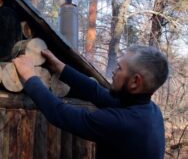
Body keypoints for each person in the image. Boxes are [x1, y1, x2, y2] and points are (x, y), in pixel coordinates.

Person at [12, 45, 169, 159]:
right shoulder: (149, 110)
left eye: (120, 68)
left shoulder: (122, 124)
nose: (114, 72)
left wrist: (28, 75)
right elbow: (97, 92)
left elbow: (59, 113)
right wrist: (60, 67)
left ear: (135, 81)